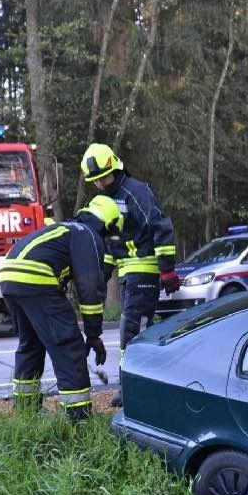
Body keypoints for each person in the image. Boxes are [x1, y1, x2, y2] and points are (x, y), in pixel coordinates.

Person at [0, 194, 123, 422]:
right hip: (35, 277)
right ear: (108, 225)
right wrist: (93, 334)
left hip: (9, 275)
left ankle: (26, 411)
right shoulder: (88, 235)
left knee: (31, 343)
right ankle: (78, 417)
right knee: (69, 344)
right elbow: (89, 288)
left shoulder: (67, 230)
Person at [79, 143, 177, 349]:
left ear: (115, 168)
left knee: (133, 330)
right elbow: (108, 241)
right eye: (95, 181)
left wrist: (167, 270)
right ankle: (132, 373)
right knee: (133, 329)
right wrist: (101, 273)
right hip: (126, 274)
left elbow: (160, 225)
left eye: (103, 178)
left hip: (144, 271)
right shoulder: (104, 200)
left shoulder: (136, 192)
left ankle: (132, 375)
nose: (100, 184)